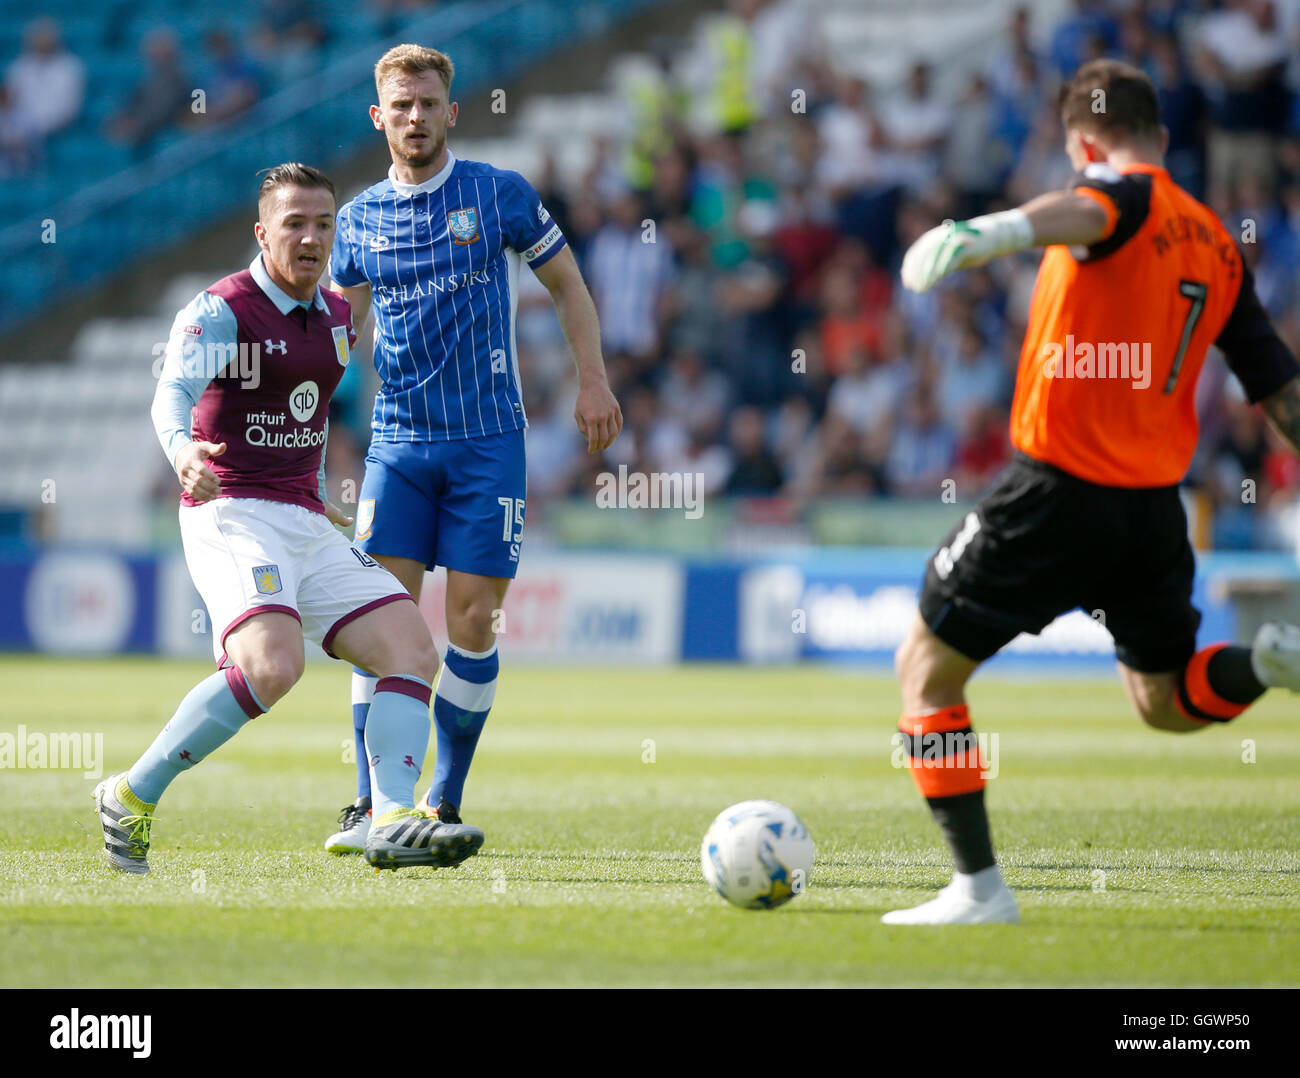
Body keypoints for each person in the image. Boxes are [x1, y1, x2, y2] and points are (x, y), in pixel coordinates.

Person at [890, 58, 1300, 925]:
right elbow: (1278, 390)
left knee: (925, 670)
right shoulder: (1216, 241)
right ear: (1160, 130)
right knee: (1167, 702)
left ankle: (978, 891)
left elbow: (1088, 211)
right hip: (1154, 512)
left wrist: (985, 233)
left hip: (1057, 493)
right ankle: (1267, 659)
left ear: (1085, 142)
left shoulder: (1119, 193)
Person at [94, 163, 484, 874]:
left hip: (305, 520)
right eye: (295, 223)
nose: (311, 237)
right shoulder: (223, 309)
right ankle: (130, 794)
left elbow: (310, 414)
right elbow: (170, 393)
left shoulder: (337, 317)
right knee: (274, 666)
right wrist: (184, 454)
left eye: (324, 224)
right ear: (262, 231)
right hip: (232, 510)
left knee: (410, 649)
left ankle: (392, 817)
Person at [324, 45, 622, 853]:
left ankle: (443, 800)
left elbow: (567, 284)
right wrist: (308, 429)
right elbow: (337, 335)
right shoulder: (355, 220)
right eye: (401, 104)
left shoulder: (498, 196)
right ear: (378, 116)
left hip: (489, 444)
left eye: (429, 103)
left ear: (451, 113)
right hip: (398, 446)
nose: (415, 117)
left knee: (473, 623)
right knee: (379, 623)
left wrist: (592, 380)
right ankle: (370, 801)